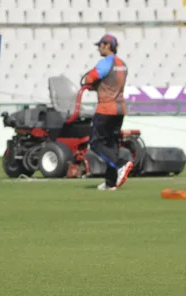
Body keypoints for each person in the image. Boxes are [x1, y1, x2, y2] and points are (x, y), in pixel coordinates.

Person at [82, 34, 133, 190]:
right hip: (120, 109)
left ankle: (120, 165)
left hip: (105, 108)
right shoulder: (122, 64)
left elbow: (89, 79)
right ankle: (111, 182)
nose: (99, 48)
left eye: (100, 45)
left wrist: (93, 82)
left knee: (96, 143)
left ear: (107, 45)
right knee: (111, 144)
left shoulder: (106, 63)